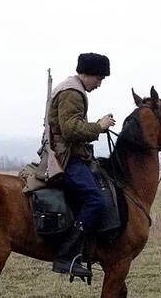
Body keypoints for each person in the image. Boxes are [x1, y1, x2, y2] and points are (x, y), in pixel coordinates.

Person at [48, 52, 116, 278]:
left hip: (73, 154)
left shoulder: (73, 89)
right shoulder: (72, 92)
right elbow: (71, 129)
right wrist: (99, 126)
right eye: (99, 78)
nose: (99, 84)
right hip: (68, 159)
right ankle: (66, 256)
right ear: (89, 74)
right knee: (95, 199)